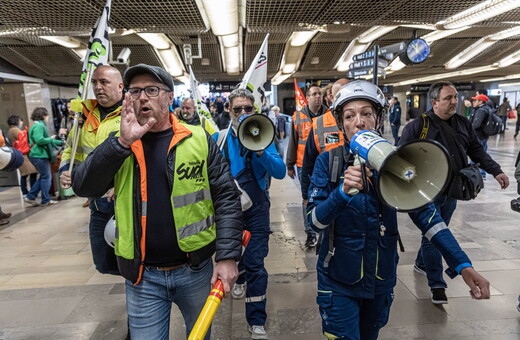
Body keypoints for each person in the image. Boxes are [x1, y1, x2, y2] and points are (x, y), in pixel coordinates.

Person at [307, 80, 491, 340]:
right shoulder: (328, 163)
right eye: (350, 116)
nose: (359, 122)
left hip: (380, 282)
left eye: (366, 114)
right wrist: (341, 194)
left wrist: (462, 264)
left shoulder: (396, 163)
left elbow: (430, 219)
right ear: (341, 124)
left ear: (378, 119)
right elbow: (313, 222)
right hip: (338, 283)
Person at [72, 64, 242, 340]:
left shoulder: (198, 139)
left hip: (195, 271)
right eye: (135, 91)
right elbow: (83, 185)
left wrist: (227, 256)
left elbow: (226, 198)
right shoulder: (119, 141)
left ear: (169, 96)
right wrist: (121, 145)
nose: (142, 97)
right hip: (142, 278)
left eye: (151, 90)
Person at [399, 81, 508, 305]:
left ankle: (422, 263)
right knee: (433, 235)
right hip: (426, 192)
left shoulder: (462, 123)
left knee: (438, 232)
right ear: (435, 102)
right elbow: (401, 157)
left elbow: (476, 149)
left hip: (453, 190)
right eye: (448, 98)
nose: (454, 102)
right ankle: (437, 284)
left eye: (455, 97)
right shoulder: (419, 125)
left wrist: (496, 171)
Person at [214, 88, 285, 339]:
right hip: (229, 209)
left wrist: (261, 151)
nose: (243, 113)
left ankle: (256, 320)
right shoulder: (220, 138)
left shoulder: (264, 135)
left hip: (257, 208)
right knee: (235, 254)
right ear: (229, 111)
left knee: (255, 260)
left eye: (248, 109)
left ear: (254, 109)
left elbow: (280, 172)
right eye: (238, 109)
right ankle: (240, 277)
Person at [59, 65, 124, 275]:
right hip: (98, 202)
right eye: (95, 82)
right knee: (104, 262)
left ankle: (137, 293)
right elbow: (72, 149)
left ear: (120, 86)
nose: (98, 87)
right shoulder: (83, 117)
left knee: (132, 258)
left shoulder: (132, 114)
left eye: (104, 82)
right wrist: (67, 170)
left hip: (126, 200)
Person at [300, 79, 348, 247]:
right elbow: (308, 162)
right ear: (331, 97)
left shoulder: (364, 122)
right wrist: (306, 194)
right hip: (327, 189)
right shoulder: (319, 123)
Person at [287, 84, 328, 248]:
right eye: (314, 94)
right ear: (308, 97)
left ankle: (325, 230)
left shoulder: (330, 115)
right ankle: (310, 233)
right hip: (304, 165)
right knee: (306, 198)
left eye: (319, 93)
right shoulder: (298, 117)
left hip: (325, 163)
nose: (317, 96)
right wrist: (290, 165)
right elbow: (293, 142)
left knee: (326, 196)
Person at [23, 107, 63, 206]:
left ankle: (30, 196)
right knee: (46, 177)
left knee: (44, 176)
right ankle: (45, 200)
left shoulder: (36, 126)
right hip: (38, 155)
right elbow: (40, 140)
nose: (48, 117)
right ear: (43, 115)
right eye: (47, 115)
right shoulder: (39, 126)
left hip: (36, 155)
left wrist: (59, 142)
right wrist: (51, 139)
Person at [7, 115, 38, 195]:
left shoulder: (11, 130)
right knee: (30, 172)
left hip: (19, 153)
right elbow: (24, 139)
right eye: (20, 121)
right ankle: (30, 191)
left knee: (26, 173)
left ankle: (27, 192)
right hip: (22, 154)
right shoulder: (15, 130)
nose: (22, 122)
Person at [469, 94, 493, 179]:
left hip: (479, 136)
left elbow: (476, 124)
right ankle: (482, 173)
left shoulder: (481, 110)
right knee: (482, 154)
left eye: (475, 100)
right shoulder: (487, 109)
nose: (473, 102)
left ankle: (472, 172)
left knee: (476, 154)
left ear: (481, 101)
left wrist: (469, 128)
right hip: (484, 136)